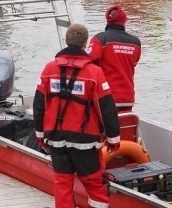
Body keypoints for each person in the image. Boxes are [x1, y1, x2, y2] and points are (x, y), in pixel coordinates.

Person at [34, 23, 121, 208]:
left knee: (62, 183)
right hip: (86, 140)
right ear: (85, 44)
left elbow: (39, 105)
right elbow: (107, 108)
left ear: (66, 41)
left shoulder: (49, 70)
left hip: (56, 138)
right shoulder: (94, 73)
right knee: (95, 184)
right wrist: (114, 140)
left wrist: (40, 136)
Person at [87, 5, 142, 112]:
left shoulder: (100, 39)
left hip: (104, 97)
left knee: (104, 128)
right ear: (124, 21)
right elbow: (133, 63)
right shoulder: (136, 43)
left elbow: (88, 65)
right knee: (124, 127)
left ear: (107, 19)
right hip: (127, 98)